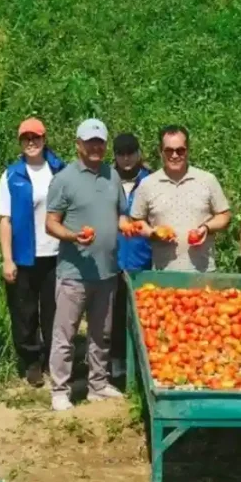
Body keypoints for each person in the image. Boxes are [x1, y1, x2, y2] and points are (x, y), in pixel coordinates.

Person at [46, 119, 127, 412]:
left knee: (101, 333)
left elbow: (120, 214)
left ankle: (98, 384)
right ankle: (60, 389)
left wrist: (129, 226)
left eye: (100, 142)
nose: (95, 147)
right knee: (65, 335)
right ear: (78, 144)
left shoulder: (112, 176)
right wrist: (73, 236)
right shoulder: (64, 179)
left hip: (107, 271)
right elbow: (51, 223)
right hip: (74, 273)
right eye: (90, 142)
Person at [0, 118, 66, 387]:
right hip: (24, 255)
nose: (31, 142)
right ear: (20, 142)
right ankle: (31, 361)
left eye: (36, 137)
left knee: (54, 313)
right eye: (26, 138)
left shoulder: (59, 170)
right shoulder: (11, 175)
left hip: (56, 254)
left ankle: (53, 359)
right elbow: (5, 220)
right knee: (24, 313)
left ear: (44, 139)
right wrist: (7, 259)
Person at [122, 125, 231, 273]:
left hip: (203, 271)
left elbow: (224, 215)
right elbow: (137, 220)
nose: (174, 155)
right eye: (169, 150)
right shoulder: (148, 184)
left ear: (188, 150)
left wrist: (207, 228)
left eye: (180, 150)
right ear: (160, 151)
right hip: (164, 272)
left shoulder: (207, 180)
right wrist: (153, 233)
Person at [111, 132, 150, 379]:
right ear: (114, 155)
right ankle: (116, 362)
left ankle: (140, 361)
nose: (126, 158)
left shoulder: (151, 180)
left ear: (138, 153)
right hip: (112, 258)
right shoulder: (106, 178)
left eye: (130, 153)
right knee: (114, 313)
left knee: (143, 314)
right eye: (121, 154)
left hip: (143, 258)